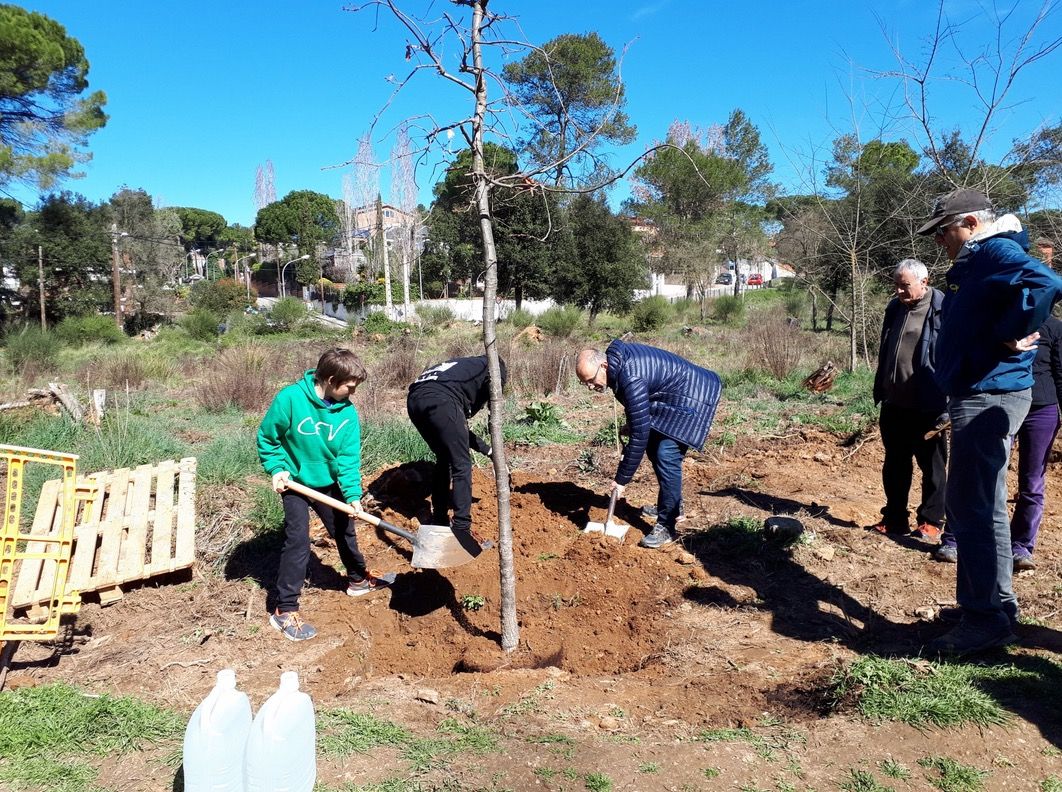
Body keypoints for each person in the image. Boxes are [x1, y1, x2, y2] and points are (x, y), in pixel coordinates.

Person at [915, 189, 1062, 655]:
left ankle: (983, 620)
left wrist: (1009, 333)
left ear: (972, 222)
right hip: (981, 389)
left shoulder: (993, 249)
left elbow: (1045, 283)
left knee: (970, 506)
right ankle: (994, 605)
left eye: (944, 231)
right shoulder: (985, 254)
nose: (940, 241)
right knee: (985, 505)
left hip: (988, 391)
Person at [257, 348, 389, 642]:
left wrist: (353, 496)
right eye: (349, 386)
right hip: (295, 482)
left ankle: (357, 580)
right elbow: (268, 437)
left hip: (328, 482)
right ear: (330, 379)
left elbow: (348, 458)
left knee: (345, 529)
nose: (353, 392)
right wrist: (277, 469)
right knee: (298, 540)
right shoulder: (290, 399)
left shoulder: (348, 413)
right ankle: (284, 610)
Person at [575, 341, 722, 549]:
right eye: (585, 383)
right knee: (654, 448)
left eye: (590, 380)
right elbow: (637, 406)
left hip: (692, 396)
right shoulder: (618, 368)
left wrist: (621, 480)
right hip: (670, 396)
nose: (590, 387)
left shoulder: (630, 377)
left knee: (665, 454)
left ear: (604, 367)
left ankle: (667, 524)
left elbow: (640, 435)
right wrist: (632, 423)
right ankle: (672, 505)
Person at [870, 259, 950, 550]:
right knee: (895, 463)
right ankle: (894, 518)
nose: (899, 291)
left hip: (928, 403)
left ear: (924, 282)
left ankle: (930, 521)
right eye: (897, 285)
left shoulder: (943, 307)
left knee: (933, 466)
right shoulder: (895, 308)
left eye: (905, 285)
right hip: (895, 402)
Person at [406, 355, 505, 548]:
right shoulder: (494, 368)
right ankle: (461, 529)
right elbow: (456, 423)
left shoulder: (464, 365)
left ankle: (440, 520)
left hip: (414, 401)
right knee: (462, 464)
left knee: (445, 457)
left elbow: (455, 432)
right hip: (440, 400)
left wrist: (488, 450)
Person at [1010, 308, 1062, 571]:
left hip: (1041, 410)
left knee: (1032, 482)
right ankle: (964, 538)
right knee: (987, 475)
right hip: (1003, 405)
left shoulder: (1054, 327)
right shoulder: (1007, 321)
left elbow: (1061, 372)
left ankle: (1020, 546)